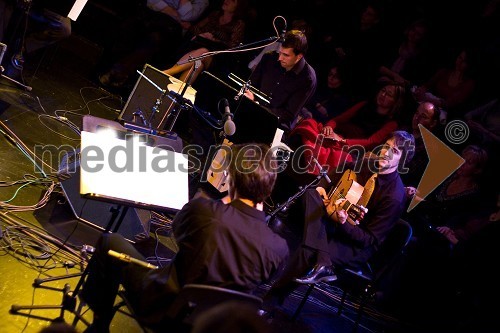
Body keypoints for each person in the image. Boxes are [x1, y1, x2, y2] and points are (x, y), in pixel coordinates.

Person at [80, 143, 289, 332]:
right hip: (215, 325)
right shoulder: (278, 248)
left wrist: (223, 203)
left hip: (165, 310)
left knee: (110, 242)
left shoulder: (206, 212)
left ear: (231, 178)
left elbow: (177, 232)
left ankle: (99, 326)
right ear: (268, 189)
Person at [267, 131, 414, 303]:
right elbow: (343, 170)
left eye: (395, 151)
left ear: (402, 161)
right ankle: (324, 261)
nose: (386, 153)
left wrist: (344, 223)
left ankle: (269, 302)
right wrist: (328, 192)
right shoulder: (369, 164)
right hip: (337, 222)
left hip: (356, 245)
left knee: (308, 251)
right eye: (387, 147)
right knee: (311, 194)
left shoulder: (394, 197)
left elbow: (369, 239)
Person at [291, 82, 408, 173]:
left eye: (389, 95)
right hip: (335, 136)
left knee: (328, 153)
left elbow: (371, 142)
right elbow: (337, 120)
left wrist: (342, 141)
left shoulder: (392, 123)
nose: (383, 95)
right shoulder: (364, 105)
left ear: (395, 102)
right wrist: (329, 127)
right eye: (383, 91)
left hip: (352, 148)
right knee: (309, 124)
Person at [244, 29, 317, 132]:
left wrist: (258, 107)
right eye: (280, 52)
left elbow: (288, 114)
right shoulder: (269, 58)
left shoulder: (307, 79)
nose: (279, 58)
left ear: (299, 56)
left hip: (275, 126)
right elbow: (251, 84)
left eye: (286, 55)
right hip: (251, 111)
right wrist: (249, 95)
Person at [162, 0, 248, 83]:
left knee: (203, 52)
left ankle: (166, 73)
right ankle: (176, 91)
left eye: (232, 0)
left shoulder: (238, 24)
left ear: (238, 6)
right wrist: (203, 35)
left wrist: (214, 39)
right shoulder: (215, 15)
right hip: (198, 50)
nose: (227, 0)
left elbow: (233, 47)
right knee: (198, 65)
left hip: (216, 57)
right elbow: (195, 29)